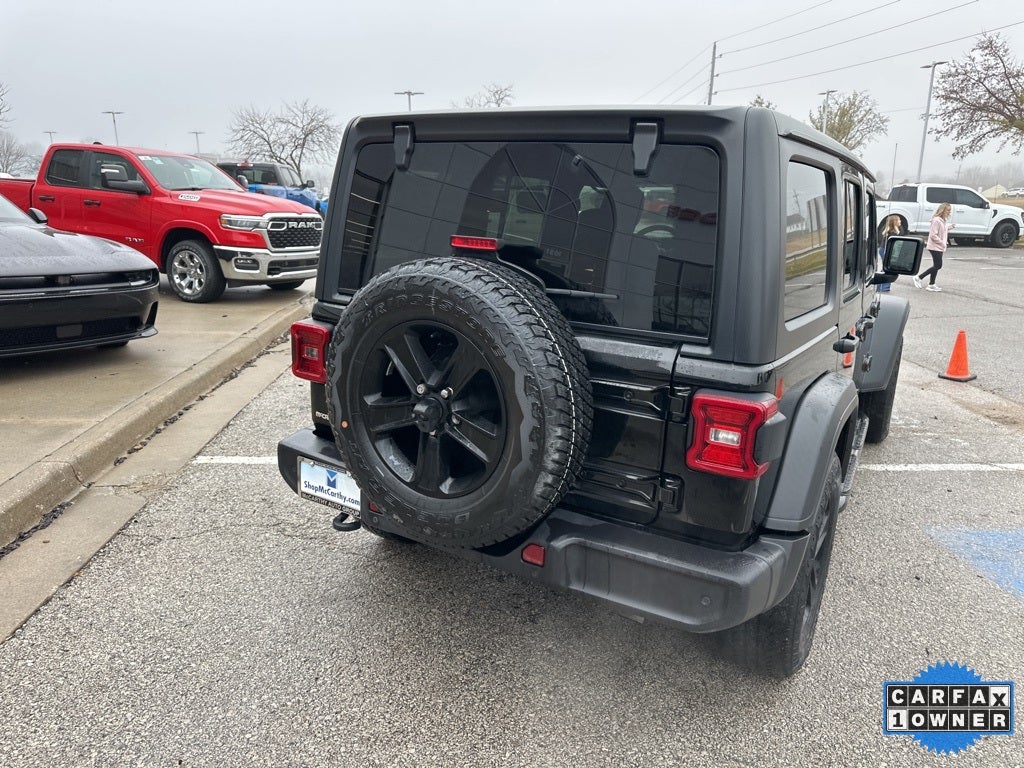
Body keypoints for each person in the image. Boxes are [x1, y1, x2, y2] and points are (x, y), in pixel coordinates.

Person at [914, 203, 954, 292]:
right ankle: (919, 277)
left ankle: (931, 284)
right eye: (948, 210)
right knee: (938, 265)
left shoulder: (942, 220)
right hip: (935, 246)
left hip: (939, 247)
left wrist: (950, 227)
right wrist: (942, 243)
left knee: (936, 265)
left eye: (950, 210)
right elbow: (933, 235)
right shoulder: (936, 220)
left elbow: (942, 230)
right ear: (942, 210)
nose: (949, 212)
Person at [876, 214, 902, 292]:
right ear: (895, 222)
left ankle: (880, 286)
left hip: (883, 249)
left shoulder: (887, 230)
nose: (900, 221)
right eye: (899, 220)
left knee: (886, 268)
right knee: (888, 268)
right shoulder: (893, 232)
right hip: (886, 250)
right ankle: (884, 287)